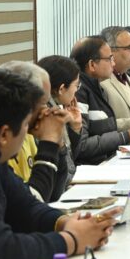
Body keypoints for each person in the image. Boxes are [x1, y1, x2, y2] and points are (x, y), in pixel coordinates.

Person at [0, 68, 119, 259]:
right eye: (26, 124)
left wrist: (65, 222)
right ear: (4, 134)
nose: (30, 131)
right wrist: (72, 240)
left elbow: (25, 206)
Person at [72, 36, 130, 165]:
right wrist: (126, 136)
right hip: (93, 169)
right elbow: (82, 146)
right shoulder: (78, 92)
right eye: (109, 59)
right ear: (92, 65)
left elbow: (104, 128)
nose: (113, 64)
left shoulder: (96, 87)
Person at [0, 61, 71, 202]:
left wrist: (58, 144)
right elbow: (30, 201)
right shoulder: (2, 141)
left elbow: (54, 193)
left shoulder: (29, 135)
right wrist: (49, 141)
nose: (47, 110)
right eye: (43, 103)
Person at [36, 55, 83, 188]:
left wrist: (75, 127)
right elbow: (66, 169)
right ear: (61, 89)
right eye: (76, 85)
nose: (76, 90)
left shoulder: (57, 108)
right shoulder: (49, 115)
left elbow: (69, 159)